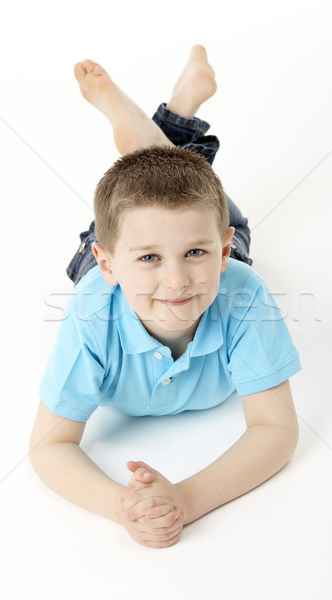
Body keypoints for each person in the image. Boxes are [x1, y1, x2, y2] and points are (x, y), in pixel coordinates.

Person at [29, 45, 302, 549]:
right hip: (121, 264)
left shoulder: (240, 291)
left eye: (196, 253)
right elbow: (49, 446)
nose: (177, 282)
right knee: (153, 201)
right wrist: (121, 505)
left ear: (221, 255)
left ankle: (164, 126)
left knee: (188, 200)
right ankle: (172, 120)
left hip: (208, 235)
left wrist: (187, 499)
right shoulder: (95, 307)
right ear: (110, 264)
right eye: (150, 259)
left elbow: (276, 429)